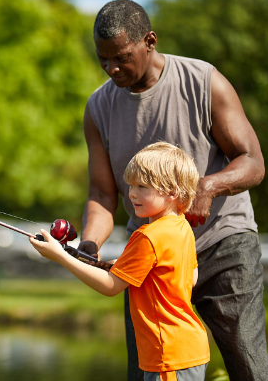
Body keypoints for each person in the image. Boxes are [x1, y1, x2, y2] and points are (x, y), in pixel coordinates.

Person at [78, 0, 268, 380]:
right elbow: (103, 194)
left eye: (121, 57)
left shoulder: (203, 81)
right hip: (150, 255)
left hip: (222, 242)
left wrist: (209, 186)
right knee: (149, 371)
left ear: (149, 41)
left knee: (249, 365)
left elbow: (253, 161)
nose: (111, 68)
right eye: (103, 60)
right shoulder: (98, 107)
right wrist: (89, 244)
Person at [31, 142, 210, 380]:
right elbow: (190, 275)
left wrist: (61, 256)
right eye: (130, 185)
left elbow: (110, 286)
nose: (132, 193)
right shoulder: (181, 226)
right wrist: (131, 268)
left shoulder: (148, 235)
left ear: (172, 192)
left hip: (169, 356)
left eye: (142, 186)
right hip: (188, 348)